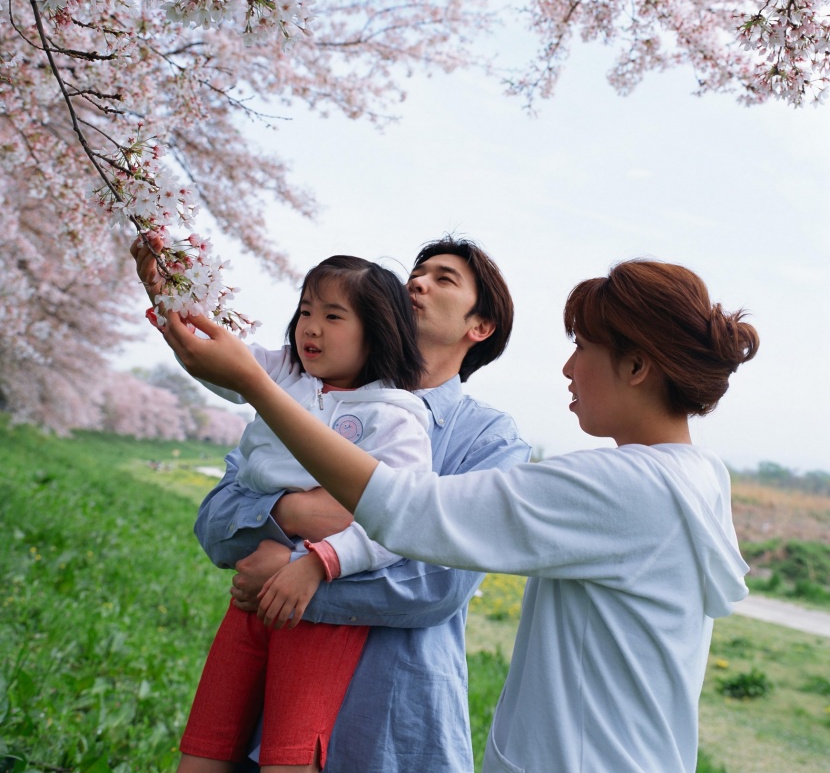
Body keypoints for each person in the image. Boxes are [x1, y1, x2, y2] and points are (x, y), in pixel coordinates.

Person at [161, 259, 758, 773]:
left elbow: (412, 513)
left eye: (582, 346)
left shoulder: (622, 486)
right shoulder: (695, 477)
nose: (568, 368)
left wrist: (256, 387)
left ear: (636, 367)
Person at [135, 236, 531, 773]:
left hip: (389, 715)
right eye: (416, 272)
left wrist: (300, 568)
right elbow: (217, 521)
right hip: (268, 696)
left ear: (479, 327)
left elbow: (438, 585)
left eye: (443, 279)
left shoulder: (489, 439)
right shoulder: (302, 390)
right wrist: (294, 515)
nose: (418, 282)